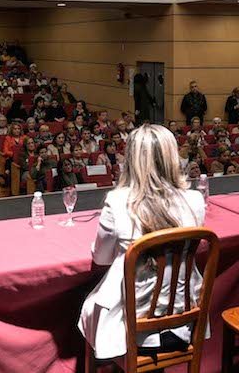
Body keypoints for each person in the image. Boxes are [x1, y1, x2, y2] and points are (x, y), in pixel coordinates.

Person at [78, 124, 206, 360]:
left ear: (131, 160)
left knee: (86, 302)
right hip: (183, 316)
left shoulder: (117, 202)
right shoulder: (195, 200)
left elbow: (101, 258)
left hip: (130, 326)